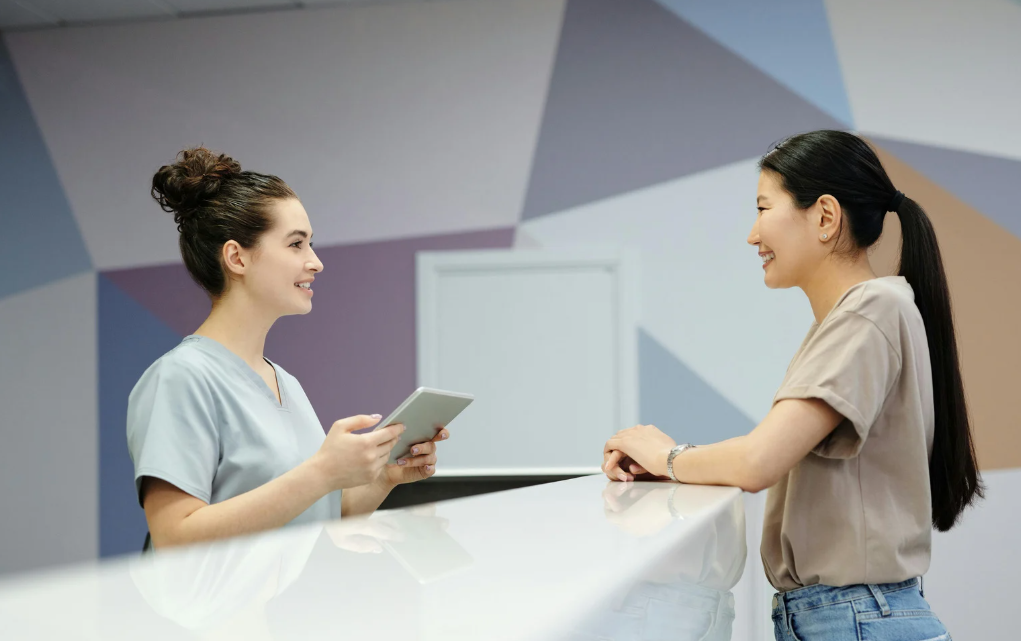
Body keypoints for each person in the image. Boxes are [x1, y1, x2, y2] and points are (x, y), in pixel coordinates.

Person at [602, 130, 982, 640]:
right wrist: (673, 469)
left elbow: (760, 460)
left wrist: (667, 455)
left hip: (853, 620)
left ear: (825, 217)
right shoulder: (859, 316)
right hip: (847, 618)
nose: (752, 234)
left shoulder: (870, 311)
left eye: (763, 208)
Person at [127, 147, 447, 550]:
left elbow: (316, 515)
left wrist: (385, 475)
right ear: (236, 257)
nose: (316, 262)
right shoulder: (181, 378)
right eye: (296, 244)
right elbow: (174, 536)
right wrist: (322, 473)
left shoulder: (285, 384)